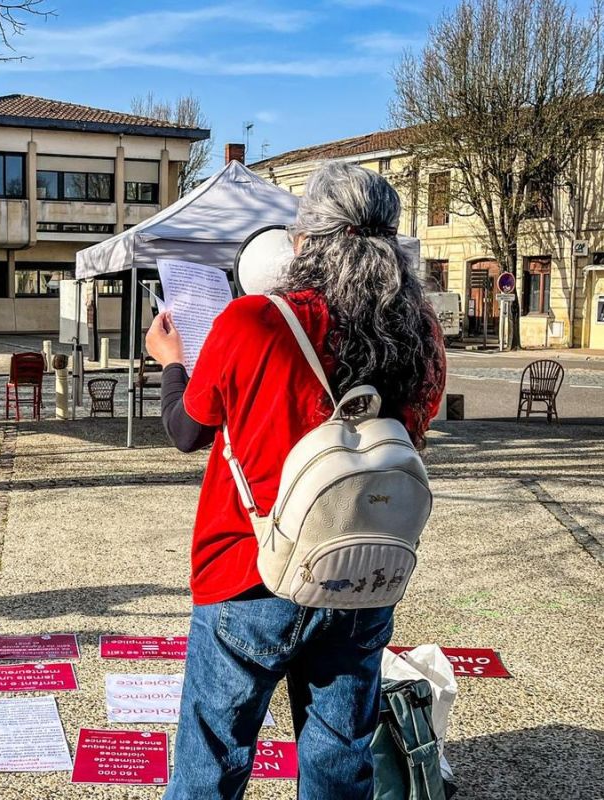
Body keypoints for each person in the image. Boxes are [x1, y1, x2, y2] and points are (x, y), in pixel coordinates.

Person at [145, 162, 445, 800]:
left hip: (246, 569)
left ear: (303, 242)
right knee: (340, 762)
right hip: (363, 568)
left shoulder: (254, 321)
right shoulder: (421, 336)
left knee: (213, 759)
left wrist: (172, 362)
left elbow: (186, 430)